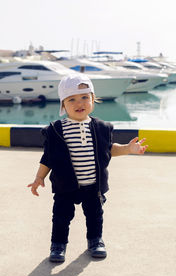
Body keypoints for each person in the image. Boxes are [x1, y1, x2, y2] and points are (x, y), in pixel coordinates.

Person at [27, 73, 148, 263]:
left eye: (85, 97)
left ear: (93, 99)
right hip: (65, 185)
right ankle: (58, 245)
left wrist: (128, 149)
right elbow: (48, 157)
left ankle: (95, 241)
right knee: (61, 217)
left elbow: (109, 150)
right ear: (63, 105)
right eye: (72, 99)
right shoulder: (56, 130)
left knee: (95, 215)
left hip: (93, 184)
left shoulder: (100, 127)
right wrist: (39, 177)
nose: (79, 103)